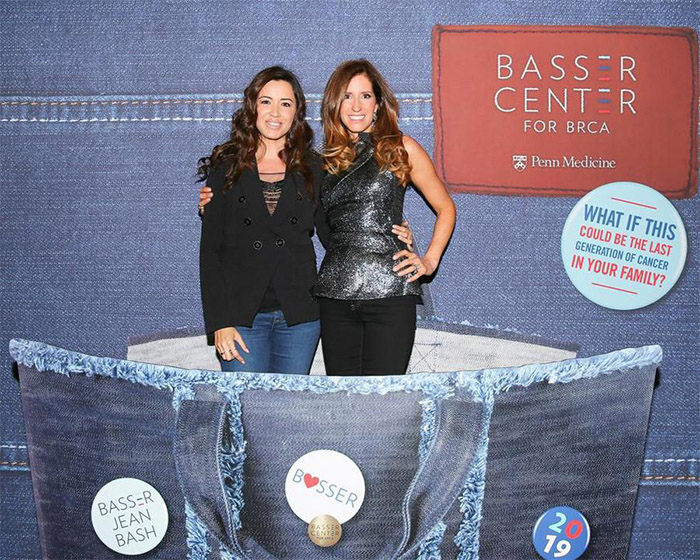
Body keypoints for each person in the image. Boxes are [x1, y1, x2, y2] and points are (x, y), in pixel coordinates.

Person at [198, 66, 412, 374]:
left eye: (285, 103)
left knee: (291, 405)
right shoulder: (226, 170)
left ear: (297, 112)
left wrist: (387, 232)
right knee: (247, 402)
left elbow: (338, 232)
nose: (275, 112)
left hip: (299, 316)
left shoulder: (314, 167)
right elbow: (210, 253)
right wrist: (220, 322)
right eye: (266, 101)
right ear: (252, 107)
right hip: (241, 316)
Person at [314, 59, 456, 376]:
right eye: (347, 96)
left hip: (390, 293)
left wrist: (429, 261)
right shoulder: (324, 160)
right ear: (335, 104)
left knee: (384, 399)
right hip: (335, 296)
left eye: (365, 96)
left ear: (378, 104)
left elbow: (446, 208)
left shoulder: (401, 148)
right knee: (343, 399)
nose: (356, 106)